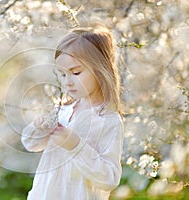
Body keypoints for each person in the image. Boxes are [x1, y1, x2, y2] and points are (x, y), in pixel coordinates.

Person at [21, 24, 124, 200]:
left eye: (75, 73)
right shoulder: (63, 110)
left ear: (100, 70)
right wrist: (39, 128)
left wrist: (75, 145)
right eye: (62, 74)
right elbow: (30, 144)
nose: (67, 82)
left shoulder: (107, 120)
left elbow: (109, 178)